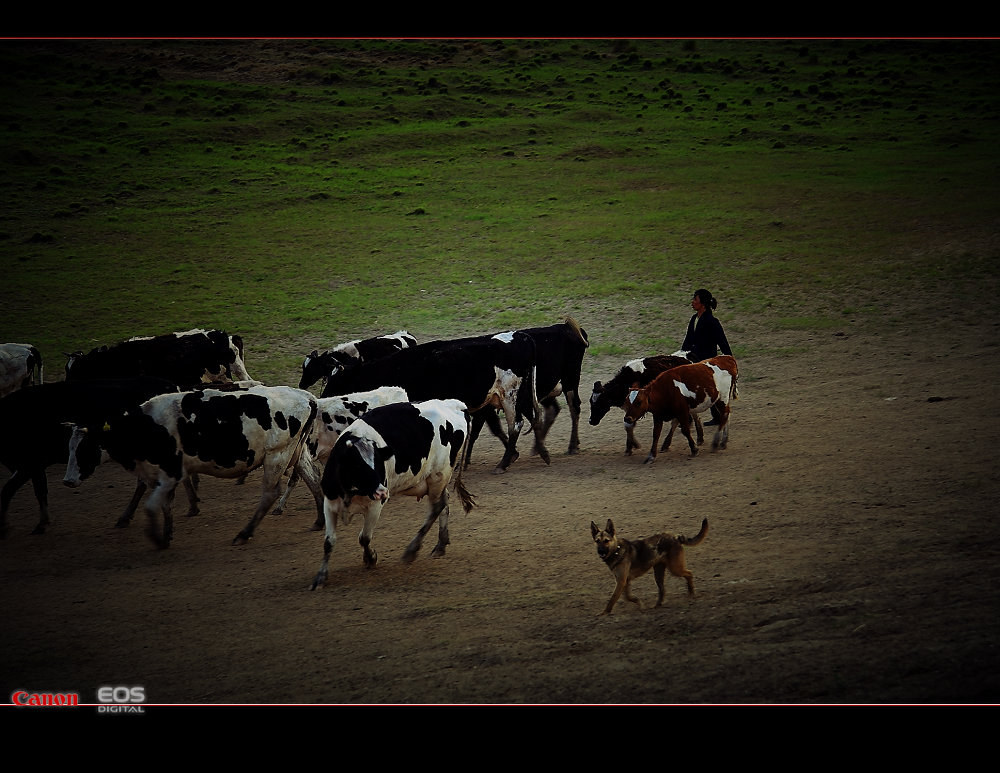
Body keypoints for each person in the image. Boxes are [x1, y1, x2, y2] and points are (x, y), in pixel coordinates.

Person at [680, 289, 733, 425]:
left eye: (695, 300)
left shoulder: (712, 321)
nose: (692, 302)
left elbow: (722, 342)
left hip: (707, 361)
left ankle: (717, 417)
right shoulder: (694, 319)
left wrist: (729, 359)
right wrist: (681, 355)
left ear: (702, 303)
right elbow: (688, 339)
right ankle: (688, 417)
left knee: (711, 389)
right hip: (693, 358)